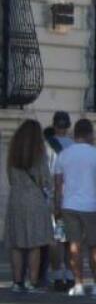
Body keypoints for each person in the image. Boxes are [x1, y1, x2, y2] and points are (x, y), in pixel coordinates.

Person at [53, 119, 96, 297]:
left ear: (74, 134)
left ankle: (78, 284)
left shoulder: (63, 155)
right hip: (92, 206)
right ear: (90, 134)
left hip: (69, 206)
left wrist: (57, 207)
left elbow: (57, 183)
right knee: (94, 246)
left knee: (74, 245)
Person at [5, 119, 53, 293]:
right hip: (34, 200)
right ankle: (33, 282)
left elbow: (10, 176)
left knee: (17, 243)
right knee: (35, 243)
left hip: (16, 199)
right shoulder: (39, 154)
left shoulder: (13, 152)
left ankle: (17, 282)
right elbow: (46, 179)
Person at [42, 112, 75, 291]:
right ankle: (70, 274)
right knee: (70, 239)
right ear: (68, 126)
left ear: (54, 125)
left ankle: (57, 276)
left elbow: (50, 176)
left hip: (54, 199)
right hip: (72, 199)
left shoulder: (46, 146)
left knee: (56, 239)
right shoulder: (74, 146)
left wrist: (55, 202)